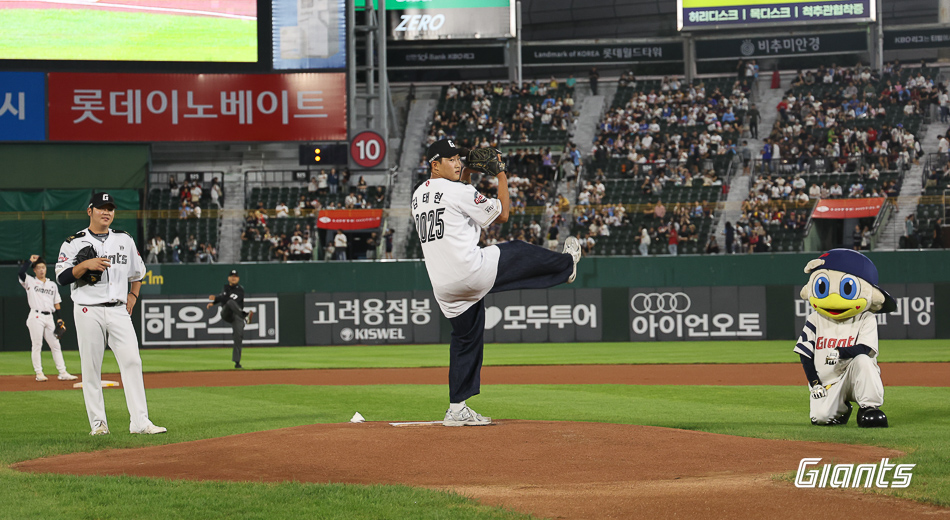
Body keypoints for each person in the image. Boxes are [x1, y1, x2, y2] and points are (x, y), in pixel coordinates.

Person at [411, 139, 581, 427]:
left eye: (458, 159)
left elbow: (455, 194)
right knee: (517, 251)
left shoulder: (418, 195)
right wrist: (500, 173)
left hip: (443, 288)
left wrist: (467, 172)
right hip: (470, 270)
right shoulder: (457, 190)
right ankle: (566, 267)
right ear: (434, 164)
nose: (457, 163)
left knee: (465, 340)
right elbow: (502, 214)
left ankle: (457, 408)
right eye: (450, 159)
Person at [55, 192, 165, 436]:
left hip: (118, 310)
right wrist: (85, 265)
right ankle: (99, 424)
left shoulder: (124, 240)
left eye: (111, 208)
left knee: (132, 361)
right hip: (87, 309)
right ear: (90, 211)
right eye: (102, 208)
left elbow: (138, 273)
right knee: (91, 368)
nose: (107, 212)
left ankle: (140, 422)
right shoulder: (74, 242)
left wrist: (133, 296)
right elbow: (62, 277)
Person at [794, 249, 895, 428]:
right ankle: (841, 409)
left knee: (863, 361)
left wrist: (840, 352)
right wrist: (815, 383)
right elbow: (805, 355)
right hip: (827, 383)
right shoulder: (815, 319)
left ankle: (869, 407)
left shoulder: (866, 318)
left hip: (854, 376)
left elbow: (865, 349)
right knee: (821, 418)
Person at [19, 255, 77, 382]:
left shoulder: (52, 285)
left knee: (56, 345)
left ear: (46, 269)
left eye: (43, 267)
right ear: (34, 270)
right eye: (38, 268)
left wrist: (59, 319)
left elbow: (57, 303)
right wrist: (29, 261)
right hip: (36, 316)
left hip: (49, 317)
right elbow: (21, 273)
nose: (41, 270)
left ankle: (62, 372)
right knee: (37, 345)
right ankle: (39, 373)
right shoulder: (30, 281)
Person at [206, 269, 254, 369]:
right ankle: (245, 316)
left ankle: (237, 362)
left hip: (237, 315)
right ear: (228, 278)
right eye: (232, 276)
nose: (233, 278)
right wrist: (214, 302)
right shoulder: (225, 287)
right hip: (227, 313)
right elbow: (224, 298)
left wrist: (216, 299)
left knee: (238, 336)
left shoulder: (240, 289)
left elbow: (226, 298)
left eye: (235, 276)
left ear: (238, 278)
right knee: (229, 303)